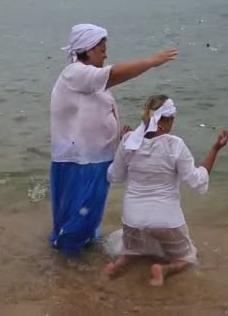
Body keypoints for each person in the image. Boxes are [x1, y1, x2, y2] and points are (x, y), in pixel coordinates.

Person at [49, 23, 178, 255]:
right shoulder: (75, 73)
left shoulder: (87, 78)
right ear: (87, 50)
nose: (106, 54)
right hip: (80, 162)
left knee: (87, 214)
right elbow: (114, 73)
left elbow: (91, 115)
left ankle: (75, 254)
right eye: (101, 49)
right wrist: (151, 61)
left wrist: (118, 136)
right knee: (80, 214)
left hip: (94, 159)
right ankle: (67, 261)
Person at [104, 95, 228, 286]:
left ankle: (117, 266)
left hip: (132, 217)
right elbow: (197, 182)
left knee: (131, 251)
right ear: (167, 120)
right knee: (187, 257)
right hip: (165, 219)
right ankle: (163, 269)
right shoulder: (174, 144)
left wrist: (122, 143)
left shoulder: (129, 141)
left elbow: (114, 176)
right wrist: (215, 149)